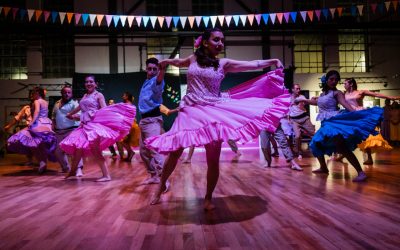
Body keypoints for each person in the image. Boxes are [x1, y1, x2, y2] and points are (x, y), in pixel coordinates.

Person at [146, 28, 289, 210]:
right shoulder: (193, 59)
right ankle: (160, 187)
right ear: (205, 42)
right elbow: (178, 61)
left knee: (212, 158)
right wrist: (165, 61)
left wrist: (273, 61)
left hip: (212, 111)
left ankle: (208, 198)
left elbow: (252, 64)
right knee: (175, 152)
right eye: (216, 40)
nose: (220, 43)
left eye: (222, 40)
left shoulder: (223, 63)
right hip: (189, 110)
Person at [301, 70, 382, 182]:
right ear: (326, 80)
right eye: (331, 79)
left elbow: (345, 104)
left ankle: (361, 172)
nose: (334, 81)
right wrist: (303, 100)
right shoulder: (322, 94)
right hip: (325, 123)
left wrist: (356, 114)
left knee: (341, 147)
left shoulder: (337, 93)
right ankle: (324, 168)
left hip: (334, 122)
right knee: (316, 143)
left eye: (336, 80)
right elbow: (317, 103)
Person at [60, 75, 136, 181]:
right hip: (84, 125)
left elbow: (104, 110)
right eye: (87, 82)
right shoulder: (85, 95)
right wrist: (71, 114)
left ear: (96, 84)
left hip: (93, 126)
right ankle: (73, 171)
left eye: (91, 82)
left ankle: (106, 175)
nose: (89, 83)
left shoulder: (98, 95)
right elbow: (80, 107)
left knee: (95, 150)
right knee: (78, 148)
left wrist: (89, 115)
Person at [343, 78, 398, 164]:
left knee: (365, 136)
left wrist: (391, 97)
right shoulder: (344, 94)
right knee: (347, 135)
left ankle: (369, 158)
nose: (344, 85)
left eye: (345, 83)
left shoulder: (360, 92)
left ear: (351, 84)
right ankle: (342, 155)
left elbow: (376, 94)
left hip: (361, 115)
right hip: (350, 116)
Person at [7, 87, 57, 174]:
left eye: (33, 93)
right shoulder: (45, 102)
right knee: (41, 145)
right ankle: (43, 163)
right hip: (45, 123)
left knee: (32, 143)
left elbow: (37, 111)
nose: (32, 95)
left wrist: (32, 122)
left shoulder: (37, 101)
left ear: (37, 93)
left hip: (38, 123)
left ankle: (42, 162)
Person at [138, 58, 168, 185]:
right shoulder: (146, 81)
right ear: (146, 69)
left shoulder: (157, 81)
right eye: (149, 69)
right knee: (143, 151)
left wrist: (162, 70)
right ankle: (154, 175)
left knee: (155, 150)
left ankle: (164, 179)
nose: (151, 71)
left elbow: (160, 79)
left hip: (152, 120)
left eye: (154, 69)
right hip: (144, 120)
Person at [51, 85, 83, 174]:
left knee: (75, 150)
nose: (67, 94)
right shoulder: (57, 103)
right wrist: (53, 125)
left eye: (69, 92)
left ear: (71, 94)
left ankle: (78, 168)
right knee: (57, 151)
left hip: (71, 130)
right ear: (61, 93)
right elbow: (53, 115)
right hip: (59, 131)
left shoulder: (74, 104)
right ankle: (66, 168)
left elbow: (80, 117)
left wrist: (73, 116)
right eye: (65, 92)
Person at [289, 84, 315, 159]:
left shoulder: (301, 97)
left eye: (299, 88)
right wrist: (289, 119)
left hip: (304, 118)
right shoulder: (288, 98)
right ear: (292, 89)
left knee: (313, 133)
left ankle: (319, 148)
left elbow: (307, 102)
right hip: (294, 120)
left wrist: (311, 100)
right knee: (297, 136)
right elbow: (287, 109)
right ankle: (299, 152)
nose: (298, 90)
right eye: (297, 89)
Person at [116, 92, 139, 162]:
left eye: (124, 95)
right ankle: (129, 156)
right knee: (126, 141)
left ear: (127, 97)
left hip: (129, 125)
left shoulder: (127, 105)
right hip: (132, 125)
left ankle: (131, 152)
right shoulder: (131, 105)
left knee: (121, 140)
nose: (123, 96)